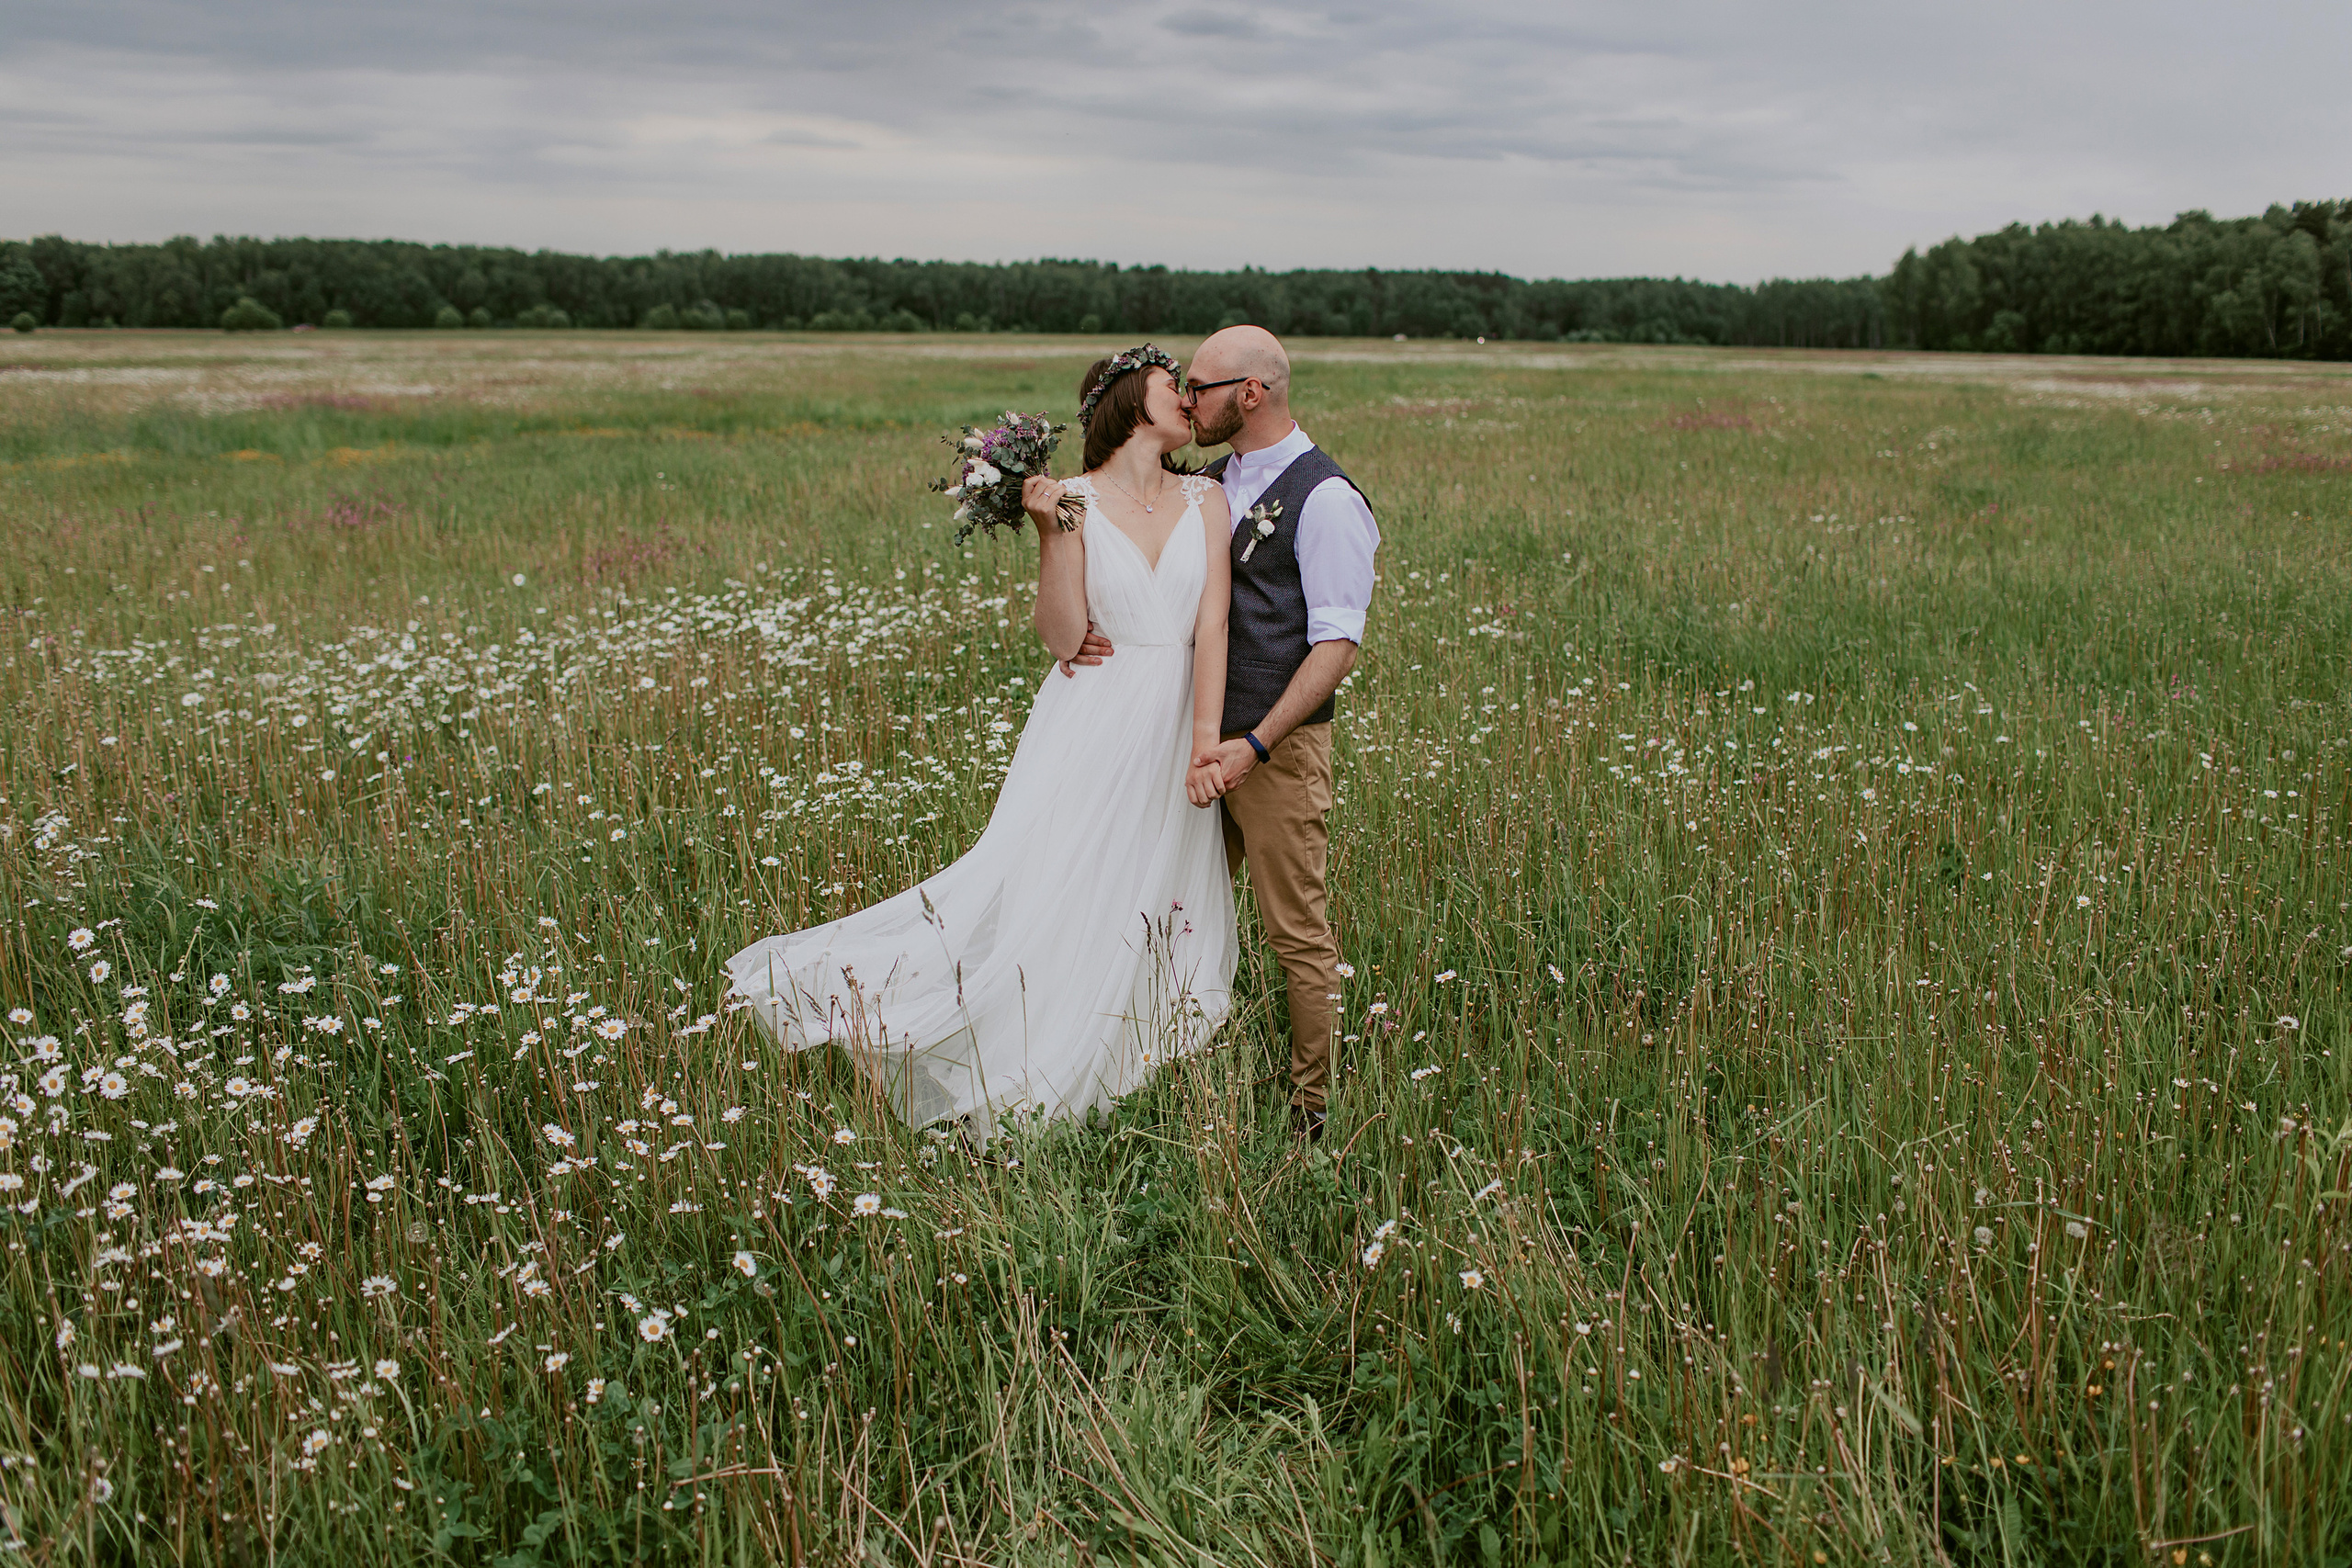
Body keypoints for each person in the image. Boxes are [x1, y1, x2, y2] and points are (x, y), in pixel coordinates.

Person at [725, 346, 1238, 1142]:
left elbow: (1214, 625)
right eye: (1177, 387)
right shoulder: (1067, 500)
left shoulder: (1207, 497)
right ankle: (1030, 1021)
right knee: (1070, 874)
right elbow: (1064, 637)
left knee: (1156, 871)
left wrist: (1206, 742)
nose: (1191, 400)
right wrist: (1047, 531)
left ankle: (1141, 1022)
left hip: (1178, 716)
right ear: (1133, 401)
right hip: (1094, 718)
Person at [1064, 326, 1378, 1142]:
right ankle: (1155, 1059)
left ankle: (1311, 1107)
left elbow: (1336, 646)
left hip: (1272, 752)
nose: (1188, 400)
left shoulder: (1329, 499)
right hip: (1187, 747)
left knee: (1294, 928)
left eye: (1199, 387)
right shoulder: (1210, 483)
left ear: (1251, 393)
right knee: (1169, 906)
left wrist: (1258, 744)